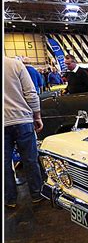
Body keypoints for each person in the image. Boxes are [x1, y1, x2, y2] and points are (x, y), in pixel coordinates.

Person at [4, 57, 45, 209]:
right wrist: (37, 116)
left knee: (4, 163)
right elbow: (31, 93)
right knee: (30, 159)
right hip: (22, 120)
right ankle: (36, 194)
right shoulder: (15, 64)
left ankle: (10, 199)